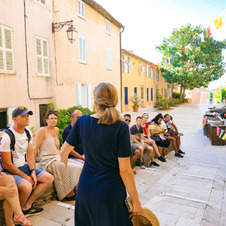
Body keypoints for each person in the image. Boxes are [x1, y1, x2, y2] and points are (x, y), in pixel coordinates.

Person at [60, 83, 142, 226]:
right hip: (110, 190)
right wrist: (135, 200)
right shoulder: (121, 127)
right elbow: (125, 170)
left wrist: (65, 162)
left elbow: (63, 152)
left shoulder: (82, 121)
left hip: (86, 188)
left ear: (95, 100)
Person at [0, 107, 54, 216]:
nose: (27, 118)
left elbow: (30, 154)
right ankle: (17, 215)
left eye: (28, 115)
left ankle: (26, 207)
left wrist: (33, 171)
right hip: (9, 171)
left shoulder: (27, 133)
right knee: (27, 186)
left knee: (49, 178)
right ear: (14, 119)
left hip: (22, 167)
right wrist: (25, 177)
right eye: (23, 116)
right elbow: (7, 164)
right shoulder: (7, 137)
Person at [34, 110, 83, 201]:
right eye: (51, 118)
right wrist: (32, 168)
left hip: (57, 157)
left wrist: (63, 157)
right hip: (48, 161)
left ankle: (77, 192)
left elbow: (58, 147)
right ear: (46, 120)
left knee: (80, 165)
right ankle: (69, 194)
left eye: (55, 118)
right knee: (76, 168)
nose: (54, 120)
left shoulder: (56, 130)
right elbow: (35, 149)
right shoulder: (42, 130)